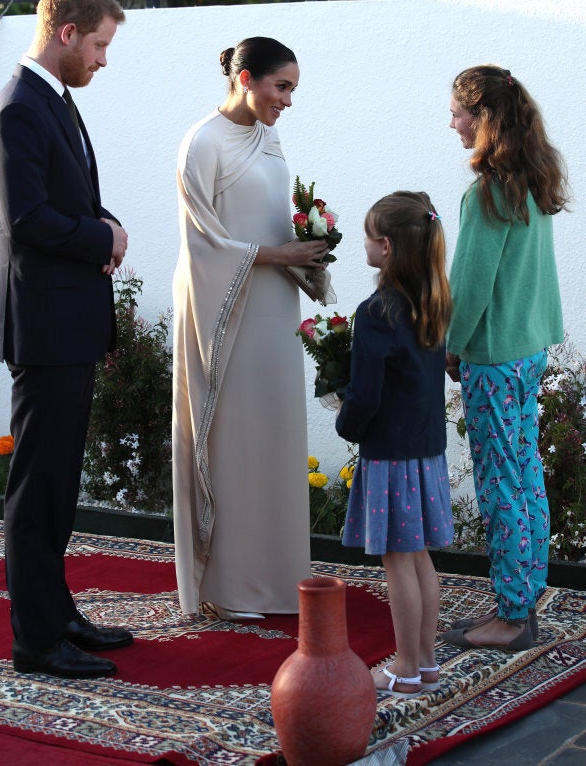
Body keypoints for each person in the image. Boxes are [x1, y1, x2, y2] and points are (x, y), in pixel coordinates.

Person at [0, 0, 133, 678]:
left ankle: (59, 614)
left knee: (59, 483)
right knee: (37, 486)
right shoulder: (19, 107)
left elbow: (64, 204)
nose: (104, 59)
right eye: (100, 44)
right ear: (67, 33)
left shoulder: (55, 101)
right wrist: (100, 237)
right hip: (45, 327)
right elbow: (27, 220)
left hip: (70, 324)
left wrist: (101, 227)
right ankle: (36, 640)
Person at [173, 37, 327, 619]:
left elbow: (271, 216)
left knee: (275, 436)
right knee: (232, 440)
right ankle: (229, 587)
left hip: (275, 312)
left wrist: (309, 250)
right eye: (280, 87)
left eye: (291, 89)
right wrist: (279, 255)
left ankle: (281, 576)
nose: (287, 100)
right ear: (244, 77)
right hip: (223, 312)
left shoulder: (270, 134)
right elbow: (203, 243)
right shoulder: (202, 142)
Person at [442, 65, 569, 652]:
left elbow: (469, 286)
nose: (453, 123)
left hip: (493, 358)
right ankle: (525, 598)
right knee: (526, 476)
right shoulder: (531, 178)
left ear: (483, 117)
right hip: (528, 350)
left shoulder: (489, 189)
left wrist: (452, 345)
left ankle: (513, 616)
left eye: (459, 113)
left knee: (501, 484)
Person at [336, 191, 453, 697]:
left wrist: (345, 421)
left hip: (391, 456)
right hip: (426, 452)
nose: (363, 242)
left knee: (398, 562)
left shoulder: (377, 311)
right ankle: (426, 664)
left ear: (384, 246)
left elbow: (366, 394)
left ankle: (404, 667)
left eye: (367, 234)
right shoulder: (432, 302)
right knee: (419, 557)